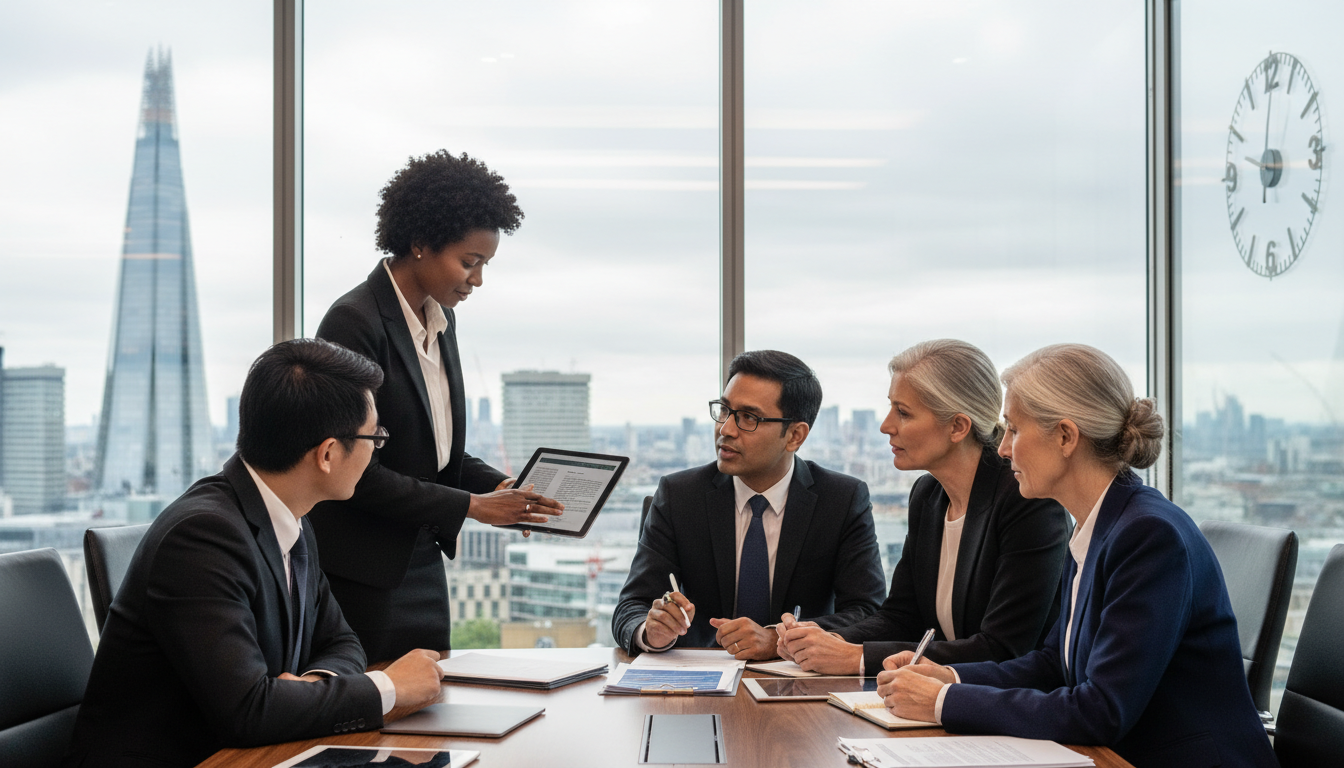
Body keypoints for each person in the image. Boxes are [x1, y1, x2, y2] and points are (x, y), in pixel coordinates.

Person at [877, 344, 1277, 768]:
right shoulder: (1099, 523)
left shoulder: (1148, 535)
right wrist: (951, 676)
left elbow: (1101, 710)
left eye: (1013, 430)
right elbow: (1055, 664)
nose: (1003, 449)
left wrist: (944, 701)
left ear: (1066, 437)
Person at [63, 339, 444, 768]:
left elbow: (340, 640)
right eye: (374, 436)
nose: (377, 447)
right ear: (328, 454)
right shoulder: (202, 538)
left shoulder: (291, 517)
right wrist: (387, 689)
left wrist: (310, 686)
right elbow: (249, 711)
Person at [311, 151, 562, 663]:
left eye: (484, 265)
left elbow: (438, 453)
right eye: (469, 262)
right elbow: (354, 470)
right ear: (420, 243)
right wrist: (472, 507)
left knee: (430, 710)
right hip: (363, 572)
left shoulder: (441, 322)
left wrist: (498, 486)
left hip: (422, 559)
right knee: (375, 719)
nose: (477, 280)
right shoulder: (353, 322)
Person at [776, 340, 1070, 675]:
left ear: (958, 427)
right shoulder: (928, 495)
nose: (886, 425)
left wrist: (856, 657)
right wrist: (821, 639)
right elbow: (901, 617)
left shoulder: (1027, 501)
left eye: (903, 412)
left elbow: (1003, 648)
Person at [612, 350, 887, 659]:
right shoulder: (680, 495)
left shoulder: (841, 500)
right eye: (725, 411)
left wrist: (777, 640)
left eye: (748, 418)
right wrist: (652, 632)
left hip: (799, 681)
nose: (725, 429)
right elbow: (631, 607)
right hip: (698, 682)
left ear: (795, 435)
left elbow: (869, 612)